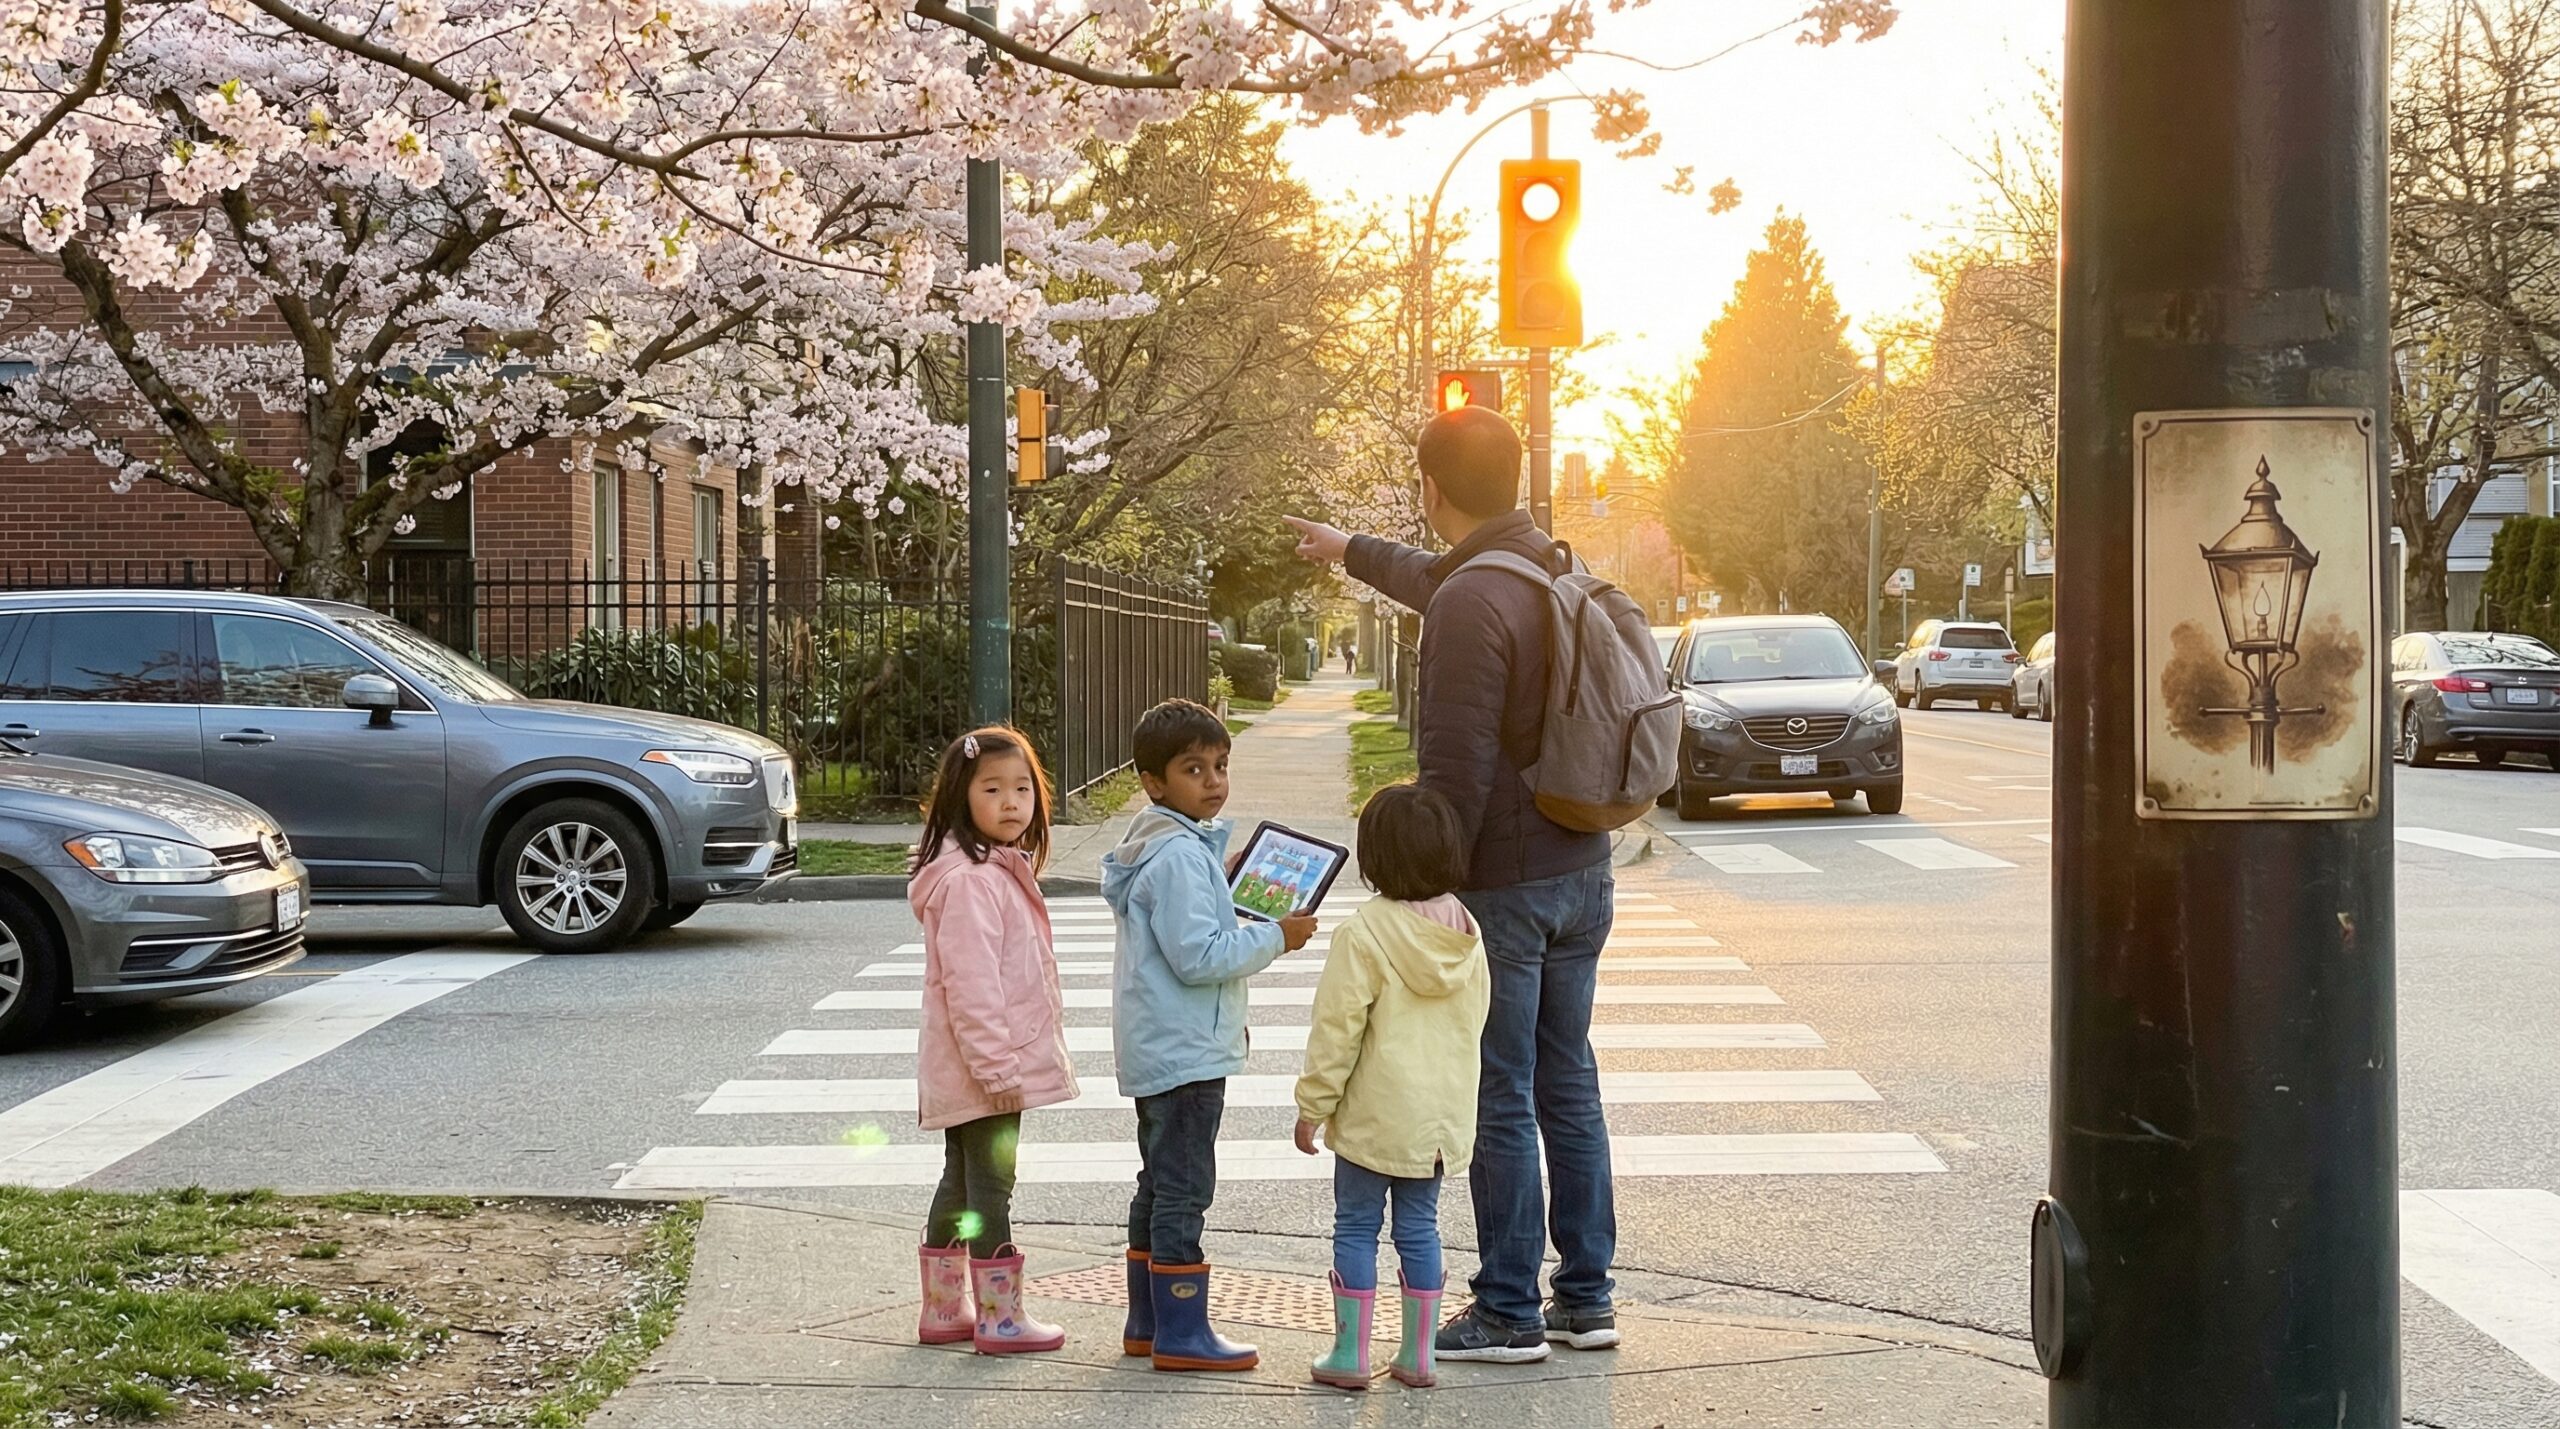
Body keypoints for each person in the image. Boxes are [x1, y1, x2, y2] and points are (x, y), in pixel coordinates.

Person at [1284, 405, 1620, 1365]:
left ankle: (1510, 1305)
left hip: (1507, 886)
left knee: (1504, 1092)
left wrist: (1428, 890)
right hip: (1582, 869)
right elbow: (1429, 577)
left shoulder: (1473, 600)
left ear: (1431, 489)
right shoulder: (1543, 564)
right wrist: (1348, 546)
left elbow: (1456, 769)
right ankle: (1586, 1296)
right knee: (1570, 1080)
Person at [1101, 699, 1319, 1372]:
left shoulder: (1171, 845)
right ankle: (1182, 1330)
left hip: (1164, 1044)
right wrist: (1274, 936)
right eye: (1194, 768)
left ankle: (1149, 1321)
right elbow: (1200, 955)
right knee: (1185, 1186)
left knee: (1159, 1181)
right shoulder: (1178, 857)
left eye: (1221, 765)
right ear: (1154, 781)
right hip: (1184, 1055)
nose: (1214, 780)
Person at [1293, 783, 1489, 1392]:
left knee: (1355, 1227)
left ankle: (1350, 1356)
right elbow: (1474, 1022)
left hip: (1373, 1119)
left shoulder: (1365, 933)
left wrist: (1312, 1108)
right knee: (1420, 1229)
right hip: (1434, 1123)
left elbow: (1337, 1031)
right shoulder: (1466, 931)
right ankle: (1418, 1355)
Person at [907, 727, 1079, 1355]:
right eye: (993, 789)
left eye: (1023, 787)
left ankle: (945, 1310)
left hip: (974, 1068)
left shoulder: (992, 869)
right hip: (985, 1070)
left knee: (961, 1180)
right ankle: (1000, 1318)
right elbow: (972, 988)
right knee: (991, 1187)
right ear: (961, 797)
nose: (1012, 801)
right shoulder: (973, 882)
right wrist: (999, 1071)